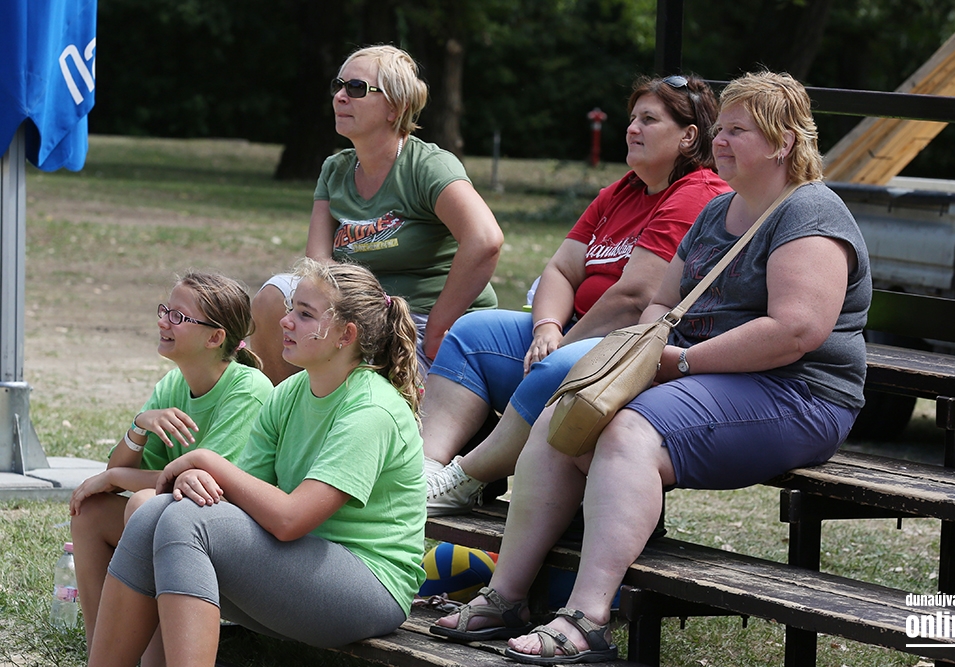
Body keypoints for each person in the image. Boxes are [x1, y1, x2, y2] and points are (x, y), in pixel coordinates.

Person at [431, 71, 871, 665]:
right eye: (722, 128)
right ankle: (504, 596)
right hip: (705, 375)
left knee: (628, 433)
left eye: (738, 131)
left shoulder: (810, 212)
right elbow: (663, 301)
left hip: (796, 393)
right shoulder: (718, 211)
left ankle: (586, 620)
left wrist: (684, 361)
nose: (720, 140)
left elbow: (795, 331)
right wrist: (656, 345)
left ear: (783, 142)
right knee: (566, 415)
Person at [87, 258, 426, 667]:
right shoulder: (290, 393)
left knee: (186, 522)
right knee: (152, 514)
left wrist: (205, 461)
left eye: (305, 314)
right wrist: (197, 480)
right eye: (291, 309)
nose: (285, 321)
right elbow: (237, 493)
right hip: (299, 566)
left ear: (346, 335)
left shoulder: (371, 409)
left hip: (369, 586)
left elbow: (290, 519)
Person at [421, 74, 729, 516]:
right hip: (577, 332)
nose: (632, 128)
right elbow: (562, 269)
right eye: (632, 118)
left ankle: (465, 479)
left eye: (648, 120)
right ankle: (425, 471)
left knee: (563, 366)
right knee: (473, 333)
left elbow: (635, 297)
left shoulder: (697, 193)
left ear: (688, 136)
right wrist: (546, 327)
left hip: (635, 351)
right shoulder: (622, 190)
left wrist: (561, 345)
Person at [252, 45, 504, 385]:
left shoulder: (428, 167)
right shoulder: (335, 169)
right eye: (338, 85)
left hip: (423, 321)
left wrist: (439, 326)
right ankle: (282, 410)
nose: (340, 96)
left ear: (395, 107)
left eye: (356, 88)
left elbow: (485, 240)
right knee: (275, 295)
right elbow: (318, 266)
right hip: (361, 314)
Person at [68, 272, 271, 663]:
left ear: (215, 338)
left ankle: (154, 660)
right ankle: (102, 654)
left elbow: (197, 485)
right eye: (165, 311)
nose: (163, 321)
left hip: (231, 537)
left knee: (145, 505)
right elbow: (119, 476)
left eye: (178, 317)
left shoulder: (248, 389)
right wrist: (139, 426)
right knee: (90, 512)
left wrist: (114, 477)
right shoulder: (172, 384)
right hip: (185, 520)